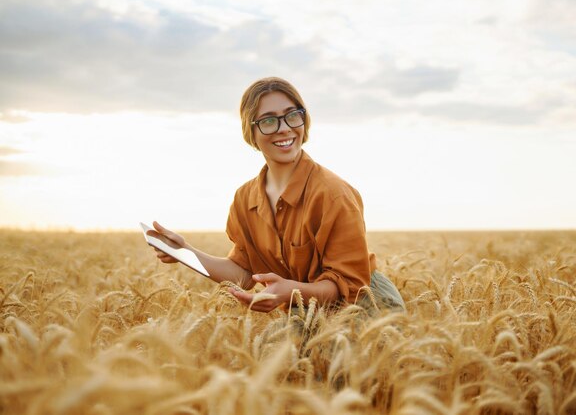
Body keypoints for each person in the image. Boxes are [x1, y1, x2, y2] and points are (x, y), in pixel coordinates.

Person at [153, 77, 404, 313]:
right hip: (307, 309)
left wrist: (292, 292)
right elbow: (243, 274)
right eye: (269, 120)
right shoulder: (245, 199)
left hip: (365, 306)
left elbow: (348, 286)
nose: (284, 129)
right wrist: (184, 252)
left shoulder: (333, 194)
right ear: (251, 131)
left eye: (292, 116)